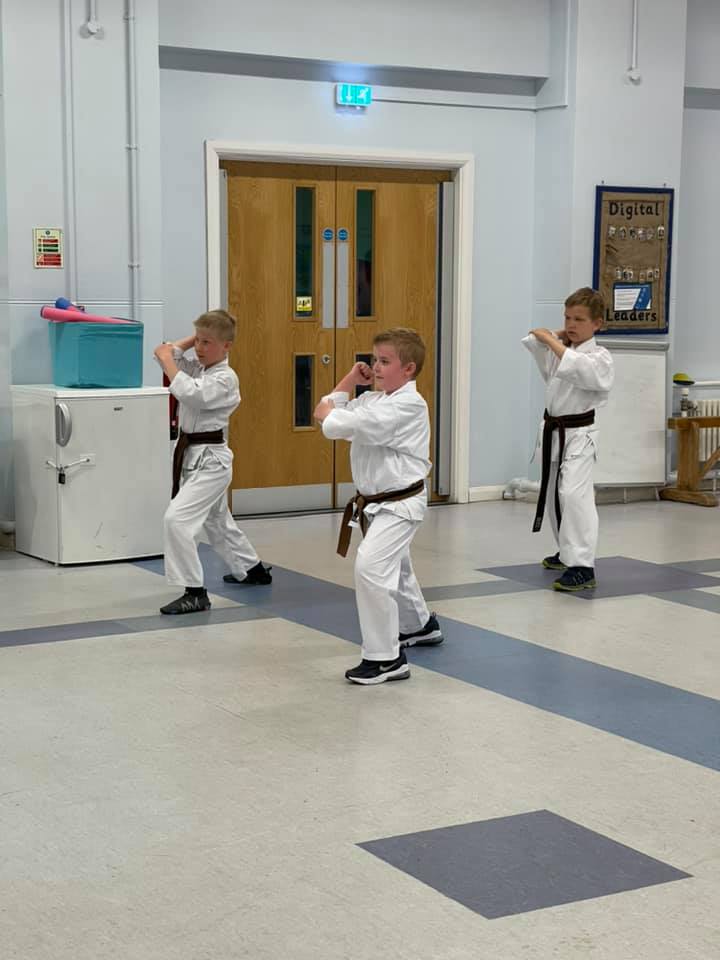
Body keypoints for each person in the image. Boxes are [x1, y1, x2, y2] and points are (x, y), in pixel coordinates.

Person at [313, 328, 443, 685]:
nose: (377, 367)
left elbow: (332, 420)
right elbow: (331, 409)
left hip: (400, 504)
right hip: (377, 504)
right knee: (396, 568)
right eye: (375, 360)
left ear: (409, 369)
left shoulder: (408, 406)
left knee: (371, 568)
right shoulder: (374, 399)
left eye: (385, 361)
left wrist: (329, 412)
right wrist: (349, 380)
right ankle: (419, 626)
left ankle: (386, 658)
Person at [153, 310, 271, 615]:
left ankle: (194, 592)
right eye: (198, 341)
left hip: (212, 463)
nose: (199, 348)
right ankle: (252, 569)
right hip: (193, 458)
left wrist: (171, 358)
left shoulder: (225, 378)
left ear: (227, 346)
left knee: (177, 520)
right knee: (217, 520)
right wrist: (199, 334)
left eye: (207, 343)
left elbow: (191, 394)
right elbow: (164, 353)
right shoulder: (198, 368)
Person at [523, 287, 614, 591]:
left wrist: (553, 340)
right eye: (567, 318)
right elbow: (534, 342)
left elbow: (580, 369)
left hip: (580, 435)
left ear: (597, 324)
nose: (571, 324)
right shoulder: (563, 349)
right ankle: (566, 552)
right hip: (555, 431)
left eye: (579, 319)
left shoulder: (600, 357)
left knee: (574, 495)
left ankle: (583, 566)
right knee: (553, 494)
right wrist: (557, 336)